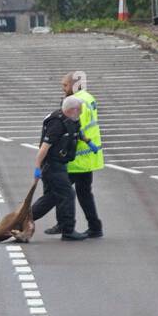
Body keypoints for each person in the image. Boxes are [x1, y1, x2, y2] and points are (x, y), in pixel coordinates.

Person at [46, 73, 104, 238]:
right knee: (84, 193)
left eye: (65, 86)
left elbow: (74, 128)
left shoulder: (76, 104)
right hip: (88, 157)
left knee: (57, 193)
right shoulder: (87, 97)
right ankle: (94, 227)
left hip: (77, 157)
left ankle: (31, 219)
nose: (63, 89)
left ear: (74, 85)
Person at [30, 96, 88, 241]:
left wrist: (86, 140)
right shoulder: (57, 124)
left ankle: (23, 220)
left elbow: (75, 132)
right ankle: (68, 231)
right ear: (72, 110)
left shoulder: (71, 119)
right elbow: (44, 148)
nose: (81, 113)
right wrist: (37, 168)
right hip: (52, 166)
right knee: (68, 194)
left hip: (58, 164)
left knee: (52, 197)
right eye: (79, 110)